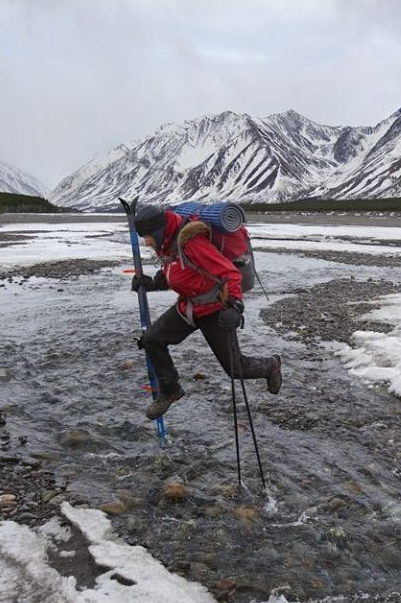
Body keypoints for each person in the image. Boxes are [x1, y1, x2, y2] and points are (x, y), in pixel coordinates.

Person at [131, 205, 282, 420]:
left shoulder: (192, 243)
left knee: (235, 368)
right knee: (152, 340)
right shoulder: (168, 243)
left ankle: (271, 366)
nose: (146, 242)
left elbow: (230, 274)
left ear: (158, 230)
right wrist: (151, 284)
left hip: (214, 309)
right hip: (189, 306)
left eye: (147, 236)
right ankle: (170, 391)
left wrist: (235, 307)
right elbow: (179, 273)